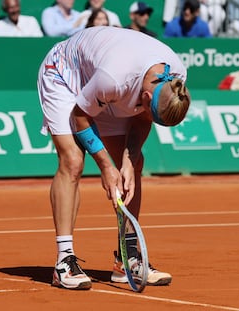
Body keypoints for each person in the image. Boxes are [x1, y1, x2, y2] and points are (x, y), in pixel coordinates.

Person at [37, 26, 190, 290]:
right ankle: (64, 261)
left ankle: (127, 259)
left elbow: (143, 119)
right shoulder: (115, 78)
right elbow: (80, 116)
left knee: (135, 164)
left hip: (103, 86)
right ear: (145, 97)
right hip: (63, 74)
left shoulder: (174, 78)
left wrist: (128, 161)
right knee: (73, 161)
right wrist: (106, 167)